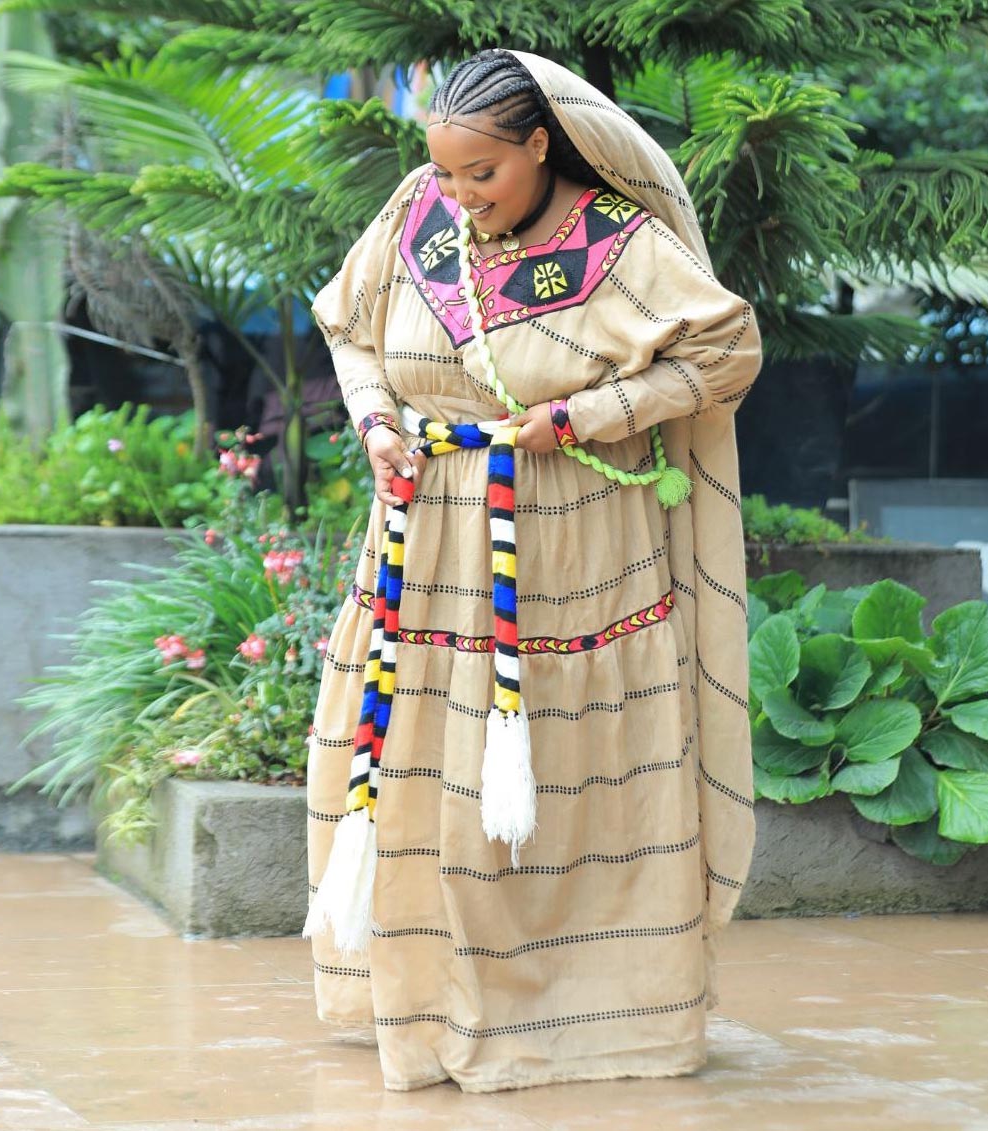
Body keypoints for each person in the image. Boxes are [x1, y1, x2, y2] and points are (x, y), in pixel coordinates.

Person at [302, 48, 762, 1093]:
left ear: (542, 145)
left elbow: (723, 353)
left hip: (576, 551)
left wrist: (587, 416)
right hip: (422, 544)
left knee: (565, 785)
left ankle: (594, 1019)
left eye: (484, 176)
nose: (459, 198)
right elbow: (349, 324)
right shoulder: (419, 209)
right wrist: (375, 421)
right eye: (446, 172)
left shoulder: (624, 247)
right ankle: (429, 1010)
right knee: (421, 777)